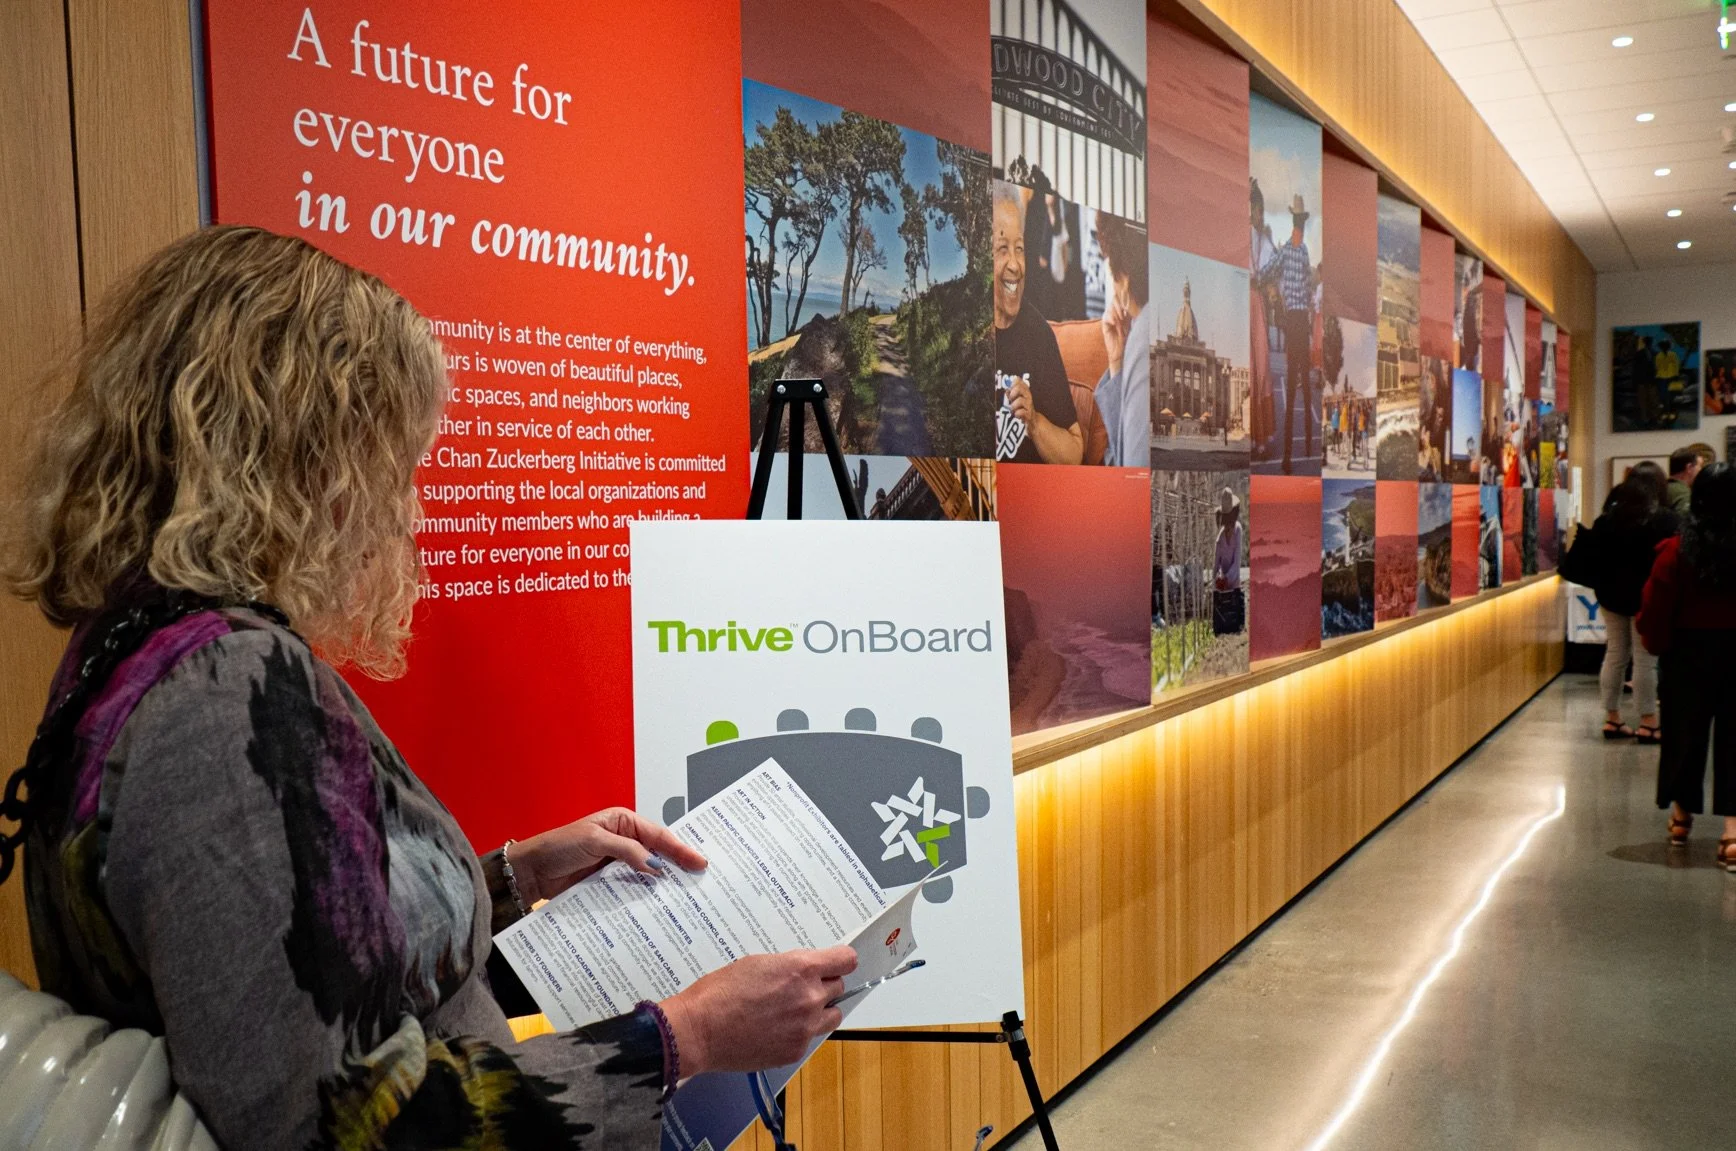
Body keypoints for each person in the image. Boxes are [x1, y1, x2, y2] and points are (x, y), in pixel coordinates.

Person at [2, 226, 856, 1151]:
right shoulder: (227, 698)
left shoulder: (138, 649)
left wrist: (513, 879)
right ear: (297, 457)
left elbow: (295, 979)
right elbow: (358, 1125)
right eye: (394, 465)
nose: (408, 509)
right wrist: (685, 1037)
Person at [1639, 462, 1736, 865]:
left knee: (1684, 735)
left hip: (1687, 656)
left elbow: (1655, 610)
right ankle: (1732, 832)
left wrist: (1658, 645)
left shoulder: (1676, 552)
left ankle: (1682, 817)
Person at [992, 183, 1083, 464]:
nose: (1015, 264)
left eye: (1019, 249)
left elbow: (1075, 453)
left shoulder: (1037, 334)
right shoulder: (959, 330)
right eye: (1001, 249)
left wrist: (1034, 422)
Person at [1590, 461, 1677, 742]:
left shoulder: (1606, 519)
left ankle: (1612, 719)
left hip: (1610, 596)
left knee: (1615, 654)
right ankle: (1648, 722)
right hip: (1647, 597)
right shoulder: (1665, 520)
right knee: (1645, 661)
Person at [1258, 195, 1315, 473]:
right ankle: (1302, 448)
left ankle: (1289, 457)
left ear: (1293, 223)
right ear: (1301, 225)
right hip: (1302, 321)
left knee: (1292, 387)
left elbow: (1267, 270)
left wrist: (1258, 281)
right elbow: (1307, 285)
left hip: (1293, 320)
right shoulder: (1303, 252)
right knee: (1301, 382)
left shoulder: (1287, 251)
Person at [1093, 213, 1150, 467]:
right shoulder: (1139, 332)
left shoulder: (1142, 336)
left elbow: (1127, 468)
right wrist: (1117, 364)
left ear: (1123, 276)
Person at [1249, 179, 1279, 460]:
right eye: (1257, 211)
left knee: (1259, 366)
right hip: (1249, 302)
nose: (1260, 217)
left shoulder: (1260, 240)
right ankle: (1254, 437)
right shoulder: (1251, 237)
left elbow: (1275, 263)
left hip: (1254, 304)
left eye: (1260, 211)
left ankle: (1258, 438)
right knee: (1254, 365)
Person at [1212, 487, 1245, 636]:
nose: (1229, 529)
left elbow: (1237, 561)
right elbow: (1216, 565)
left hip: (1234, 580)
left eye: (1230, 525)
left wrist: (1227, 578)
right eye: (1226, 526)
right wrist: (1218, 578)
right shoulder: (1219, 540)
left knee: (1235, 607)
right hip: (1223, 584)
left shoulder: (1238, 531)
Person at [1666, 446, 1701, 517]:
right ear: (1689, 467)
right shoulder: (1683, 493)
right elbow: (1684, 524)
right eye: (1700, 466)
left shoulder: (1664, 487)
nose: (1700, 470)